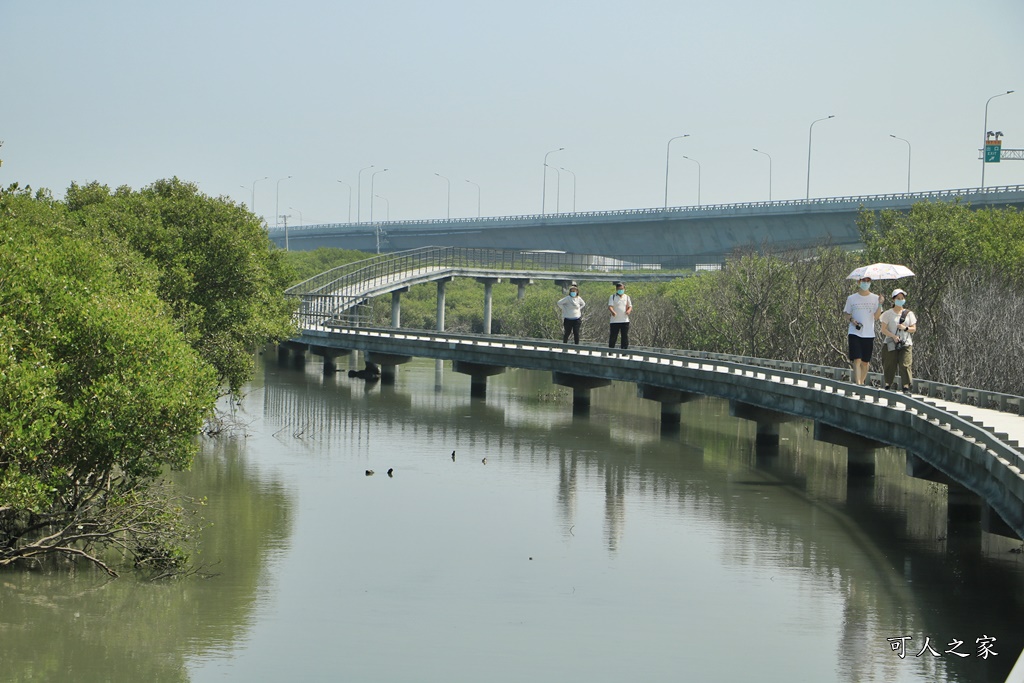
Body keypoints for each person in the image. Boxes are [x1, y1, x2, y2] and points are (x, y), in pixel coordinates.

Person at [842, 276, 882, 386]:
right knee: (857, 359)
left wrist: (880, 304)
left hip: (868, 333)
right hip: (854, 332)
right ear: (859, 282)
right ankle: (858, 384)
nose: (866, 283)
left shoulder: (875, 298)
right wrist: (852, 320)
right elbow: (846, 313)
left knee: (865, 362)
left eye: (868, 281)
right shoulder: (851, 298)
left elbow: (877, 317)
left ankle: (862, 381)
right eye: (863, 281)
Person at [879, 288, 917, 394]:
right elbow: (883, 329)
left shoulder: (909, 314)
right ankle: (888, 384)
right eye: (898, 298)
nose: (900, 300)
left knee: (905, 364)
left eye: (902, 298)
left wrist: (905, 328)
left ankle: (906, 386)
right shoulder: (887, 314)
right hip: (891, 343)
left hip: (906, 342)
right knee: (889, 364)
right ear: (893, 299)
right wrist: (893, 336)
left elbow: (913, 328)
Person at [607, 281, 633, 349]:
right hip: (614, 321)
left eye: (622, 289)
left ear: (624, 289)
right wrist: (613, 312)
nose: (620, 290)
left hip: (624, 320)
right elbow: (610, 306)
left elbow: (630, 306)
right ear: (616, 289)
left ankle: (624, 351)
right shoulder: (612, 297)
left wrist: (628, 311)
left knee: (624, 336)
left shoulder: (627, 297)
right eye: (619, 289)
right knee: (613, 336)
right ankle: (611, 350)